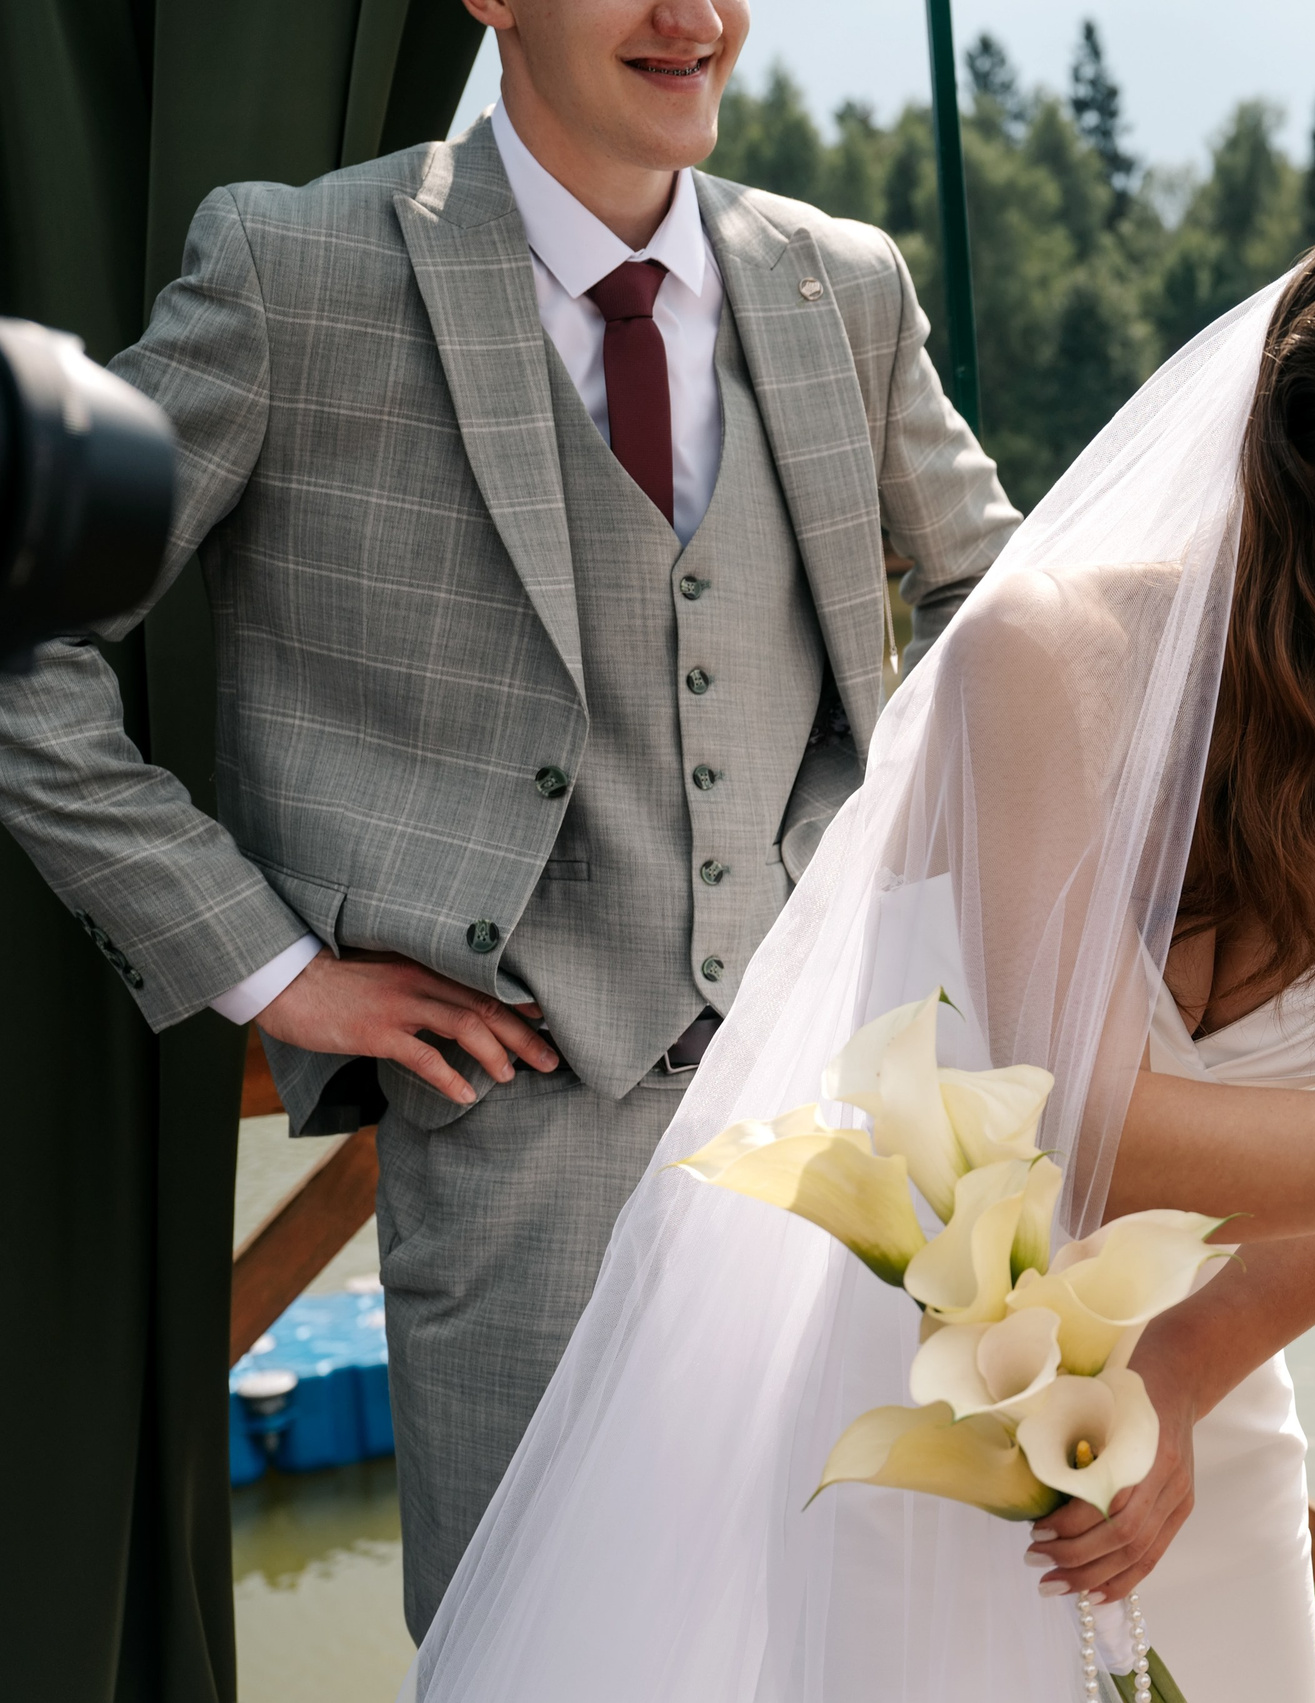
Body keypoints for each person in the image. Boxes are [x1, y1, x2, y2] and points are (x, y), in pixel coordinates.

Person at [413, 202, 1315, 1702]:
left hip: (1202, 1409)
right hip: (906, 1416)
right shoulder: (1047, 663)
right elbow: (1083, 1133)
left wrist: (1171, 1388)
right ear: (1300, 483)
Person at [0, 0, 1016, 1638]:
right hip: (513, 1165)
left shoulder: (845, 280)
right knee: (543, 1655)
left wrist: (860, 875)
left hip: (838, 1153)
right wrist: (267, 965)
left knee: (838, 1645)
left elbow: (1011, 620)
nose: (691, 16)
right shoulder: (295, 270)